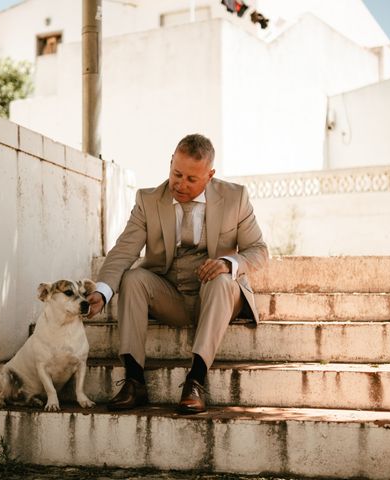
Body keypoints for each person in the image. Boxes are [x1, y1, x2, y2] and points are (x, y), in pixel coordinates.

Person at [86, 133, 268, 414]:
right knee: (133, 278)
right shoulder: (148, 200)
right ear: (171, 162)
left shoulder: (235, 197)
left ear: (210, 175)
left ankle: (195, 380)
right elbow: (124, 251)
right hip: (171, 297)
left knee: (221, 279)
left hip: (218, 297)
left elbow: (258, 250)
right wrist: (102, 291)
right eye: (176, 174)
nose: (180, 184)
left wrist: (228, 263)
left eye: (191, 179)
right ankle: (134, 380)